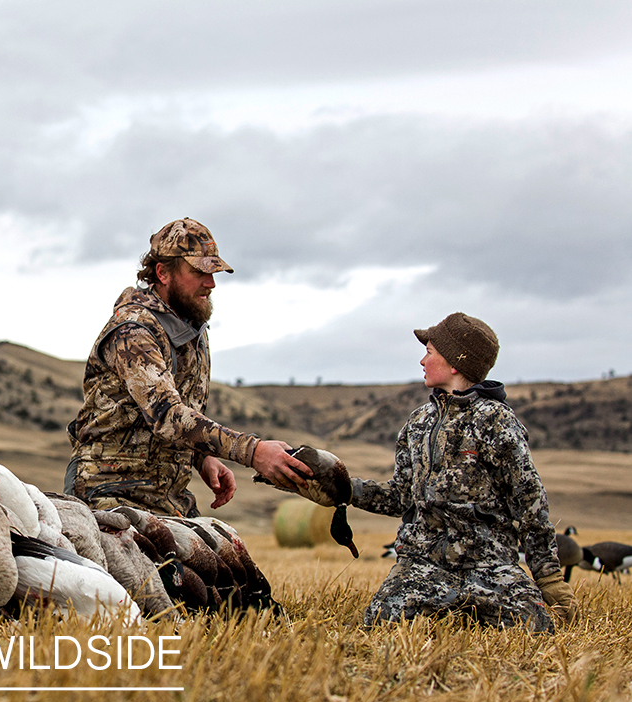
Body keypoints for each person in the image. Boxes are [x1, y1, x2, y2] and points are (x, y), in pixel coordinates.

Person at [319, 312, 577, 631]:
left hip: (489, 564)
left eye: (429, 352)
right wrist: (345, 488)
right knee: (382, 622)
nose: (421, 361)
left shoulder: (498, 423)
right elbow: (401, 497)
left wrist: (549, 577)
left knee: (535, 627)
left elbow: (530, 504)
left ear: (455, 363)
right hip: (422, 563)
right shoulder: (417, 424)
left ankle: (478, 608)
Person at [64, 217, 310, 518]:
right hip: (109, 493)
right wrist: (254, 452)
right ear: (162, 273)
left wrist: (201, 458)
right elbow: (168, 415)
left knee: (234, 565)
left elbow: (172, 420)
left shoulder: (191, 329)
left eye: (214, 272)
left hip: (169, 498)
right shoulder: (133, 333)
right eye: (199, 272)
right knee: (171, 567)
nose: (211, 283)